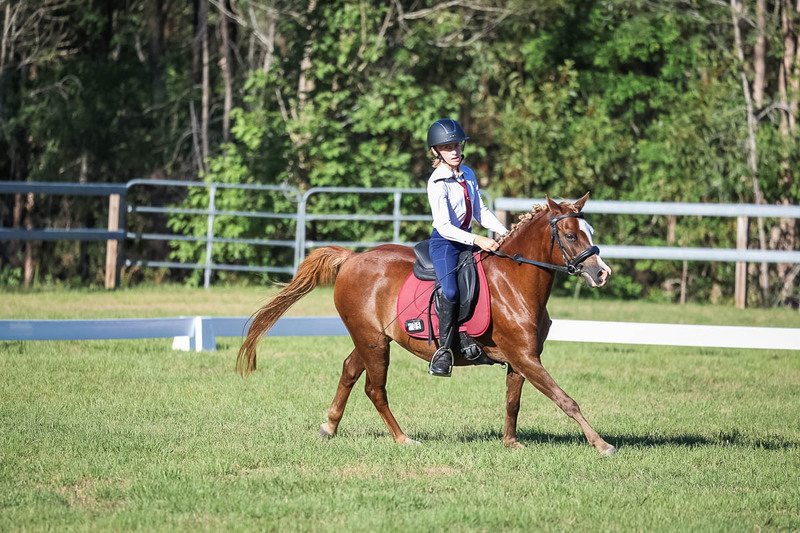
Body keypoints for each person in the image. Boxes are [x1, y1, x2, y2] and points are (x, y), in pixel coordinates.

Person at [425, 118, 508, 377]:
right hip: (446, 244)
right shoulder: (437, 182)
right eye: (448, 147)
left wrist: (506, 233)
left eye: (458, 145)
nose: (455, 151)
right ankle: (444, 351)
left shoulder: (468, 173)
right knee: (450, 291)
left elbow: (481, 211)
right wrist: (479, 240)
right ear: (436, 151)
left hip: (468, 240)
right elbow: (445, 226)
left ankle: (476, 338)